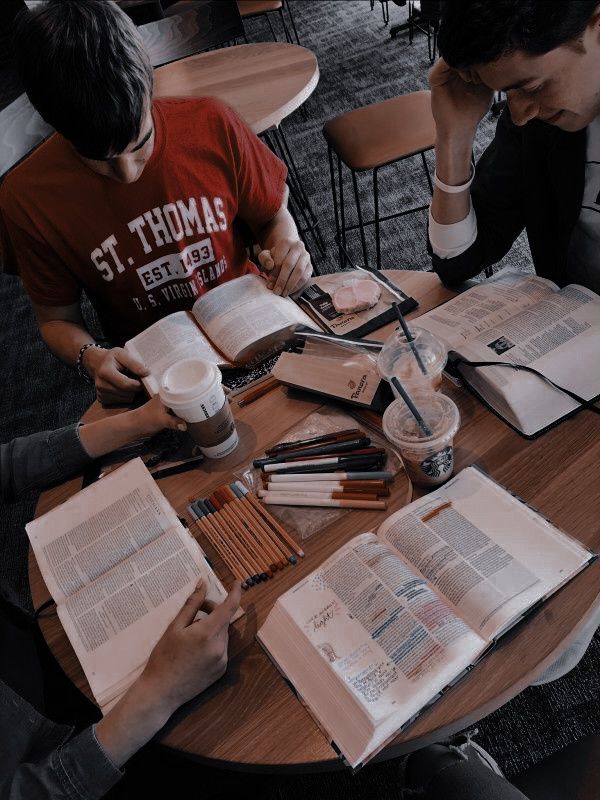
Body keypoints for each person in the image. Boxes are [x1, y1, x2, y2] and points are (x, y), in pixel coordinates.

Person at [0, 0, 313, 406]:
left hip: (255, 328)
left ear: (150, 86)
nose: (128, 172)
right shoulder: (26, 197)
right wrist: (90, 358)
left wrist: (287, 244)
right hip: (159, 374)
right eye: (101, 161)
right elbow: (57, 319)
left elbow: (271, 214)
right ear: (50, 121)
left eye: (141, 145)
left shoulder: (211, 122)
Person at [0, 398, 241, 799]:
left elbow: (6, 466)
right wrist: (158, 695)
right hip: (75, 750)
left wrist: (135, 423)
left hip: (28, 656)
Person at [427, 0, 600, 292]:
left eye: (531, 87)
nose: (518, 116)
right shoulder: (540, 124)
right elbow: (457, 261)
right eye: (506, 93)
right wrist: (453, 138)